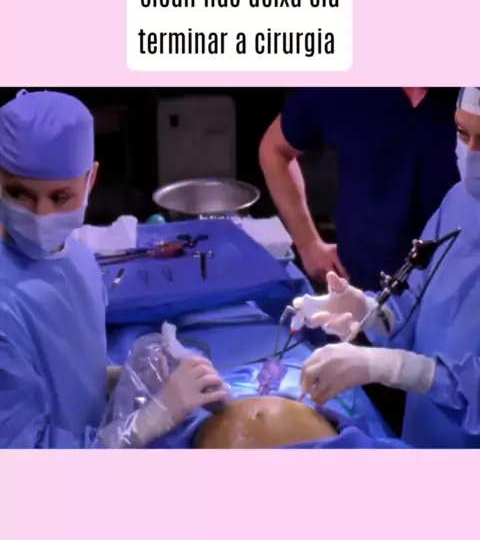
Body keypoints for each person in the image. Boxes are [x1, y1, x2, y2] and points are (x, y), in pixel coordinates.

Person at [0, 89, 226, 448]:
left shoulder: (77, 259)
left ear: (91, 179)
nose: (40, 214)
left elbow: (66, 376)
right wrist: (152, 418)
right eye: (18, 193)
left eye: (60, 197)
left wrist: (127, 379)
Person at [294, 86, 480, 449]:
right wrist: (367, 310)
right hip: (422, 433)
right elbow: (414, 302)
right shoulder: (460, 203)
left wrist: (388, 367)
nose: (471, 154)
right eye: (463, 133)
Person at [259, 87, 459, 290]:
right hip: (362, 284)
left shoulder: (469, 94)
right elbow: (275, 150)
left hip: (459, 283)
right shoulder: (340, 87)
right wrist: (308, 244)